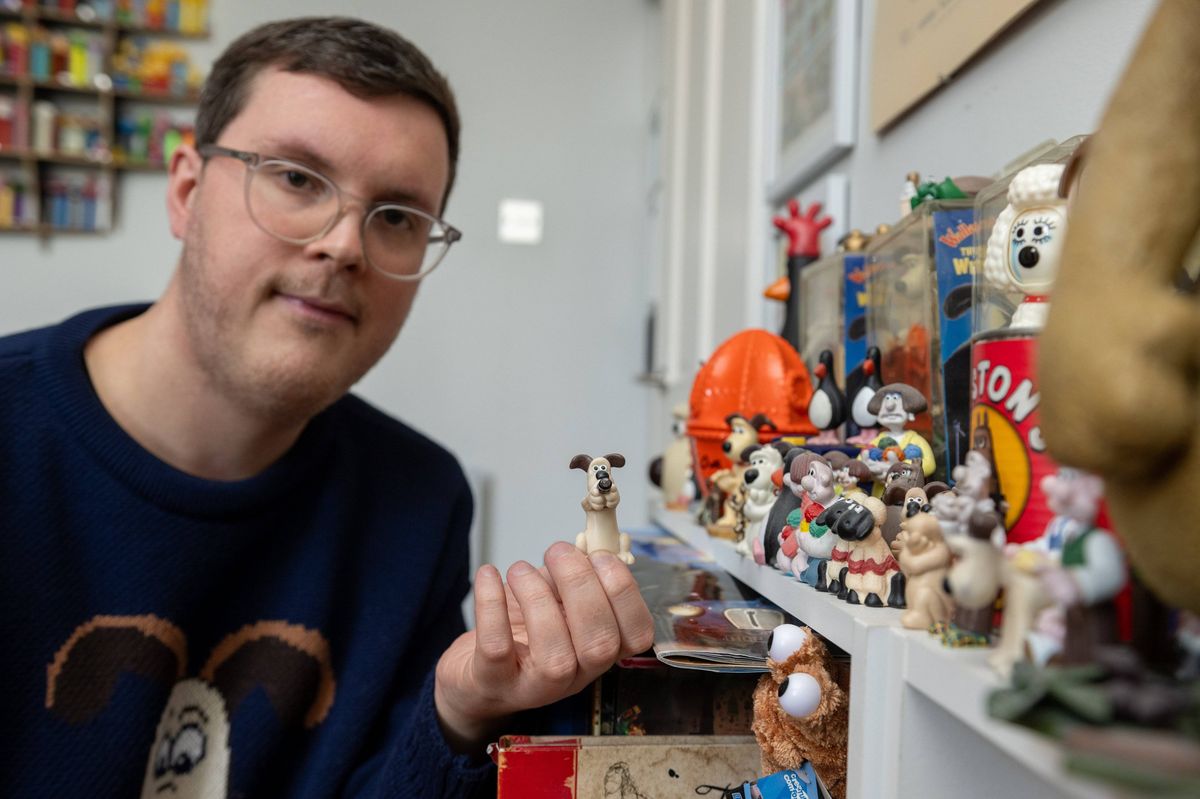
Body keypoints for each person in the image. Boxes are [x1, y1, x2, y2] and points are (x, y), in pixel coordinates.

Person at [0, 16, 654, 798]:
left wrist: (457, 714)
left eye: (398, 217)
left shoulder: (418, 499)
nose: (346, 244)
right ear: (185, 191)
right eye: (297, 178)